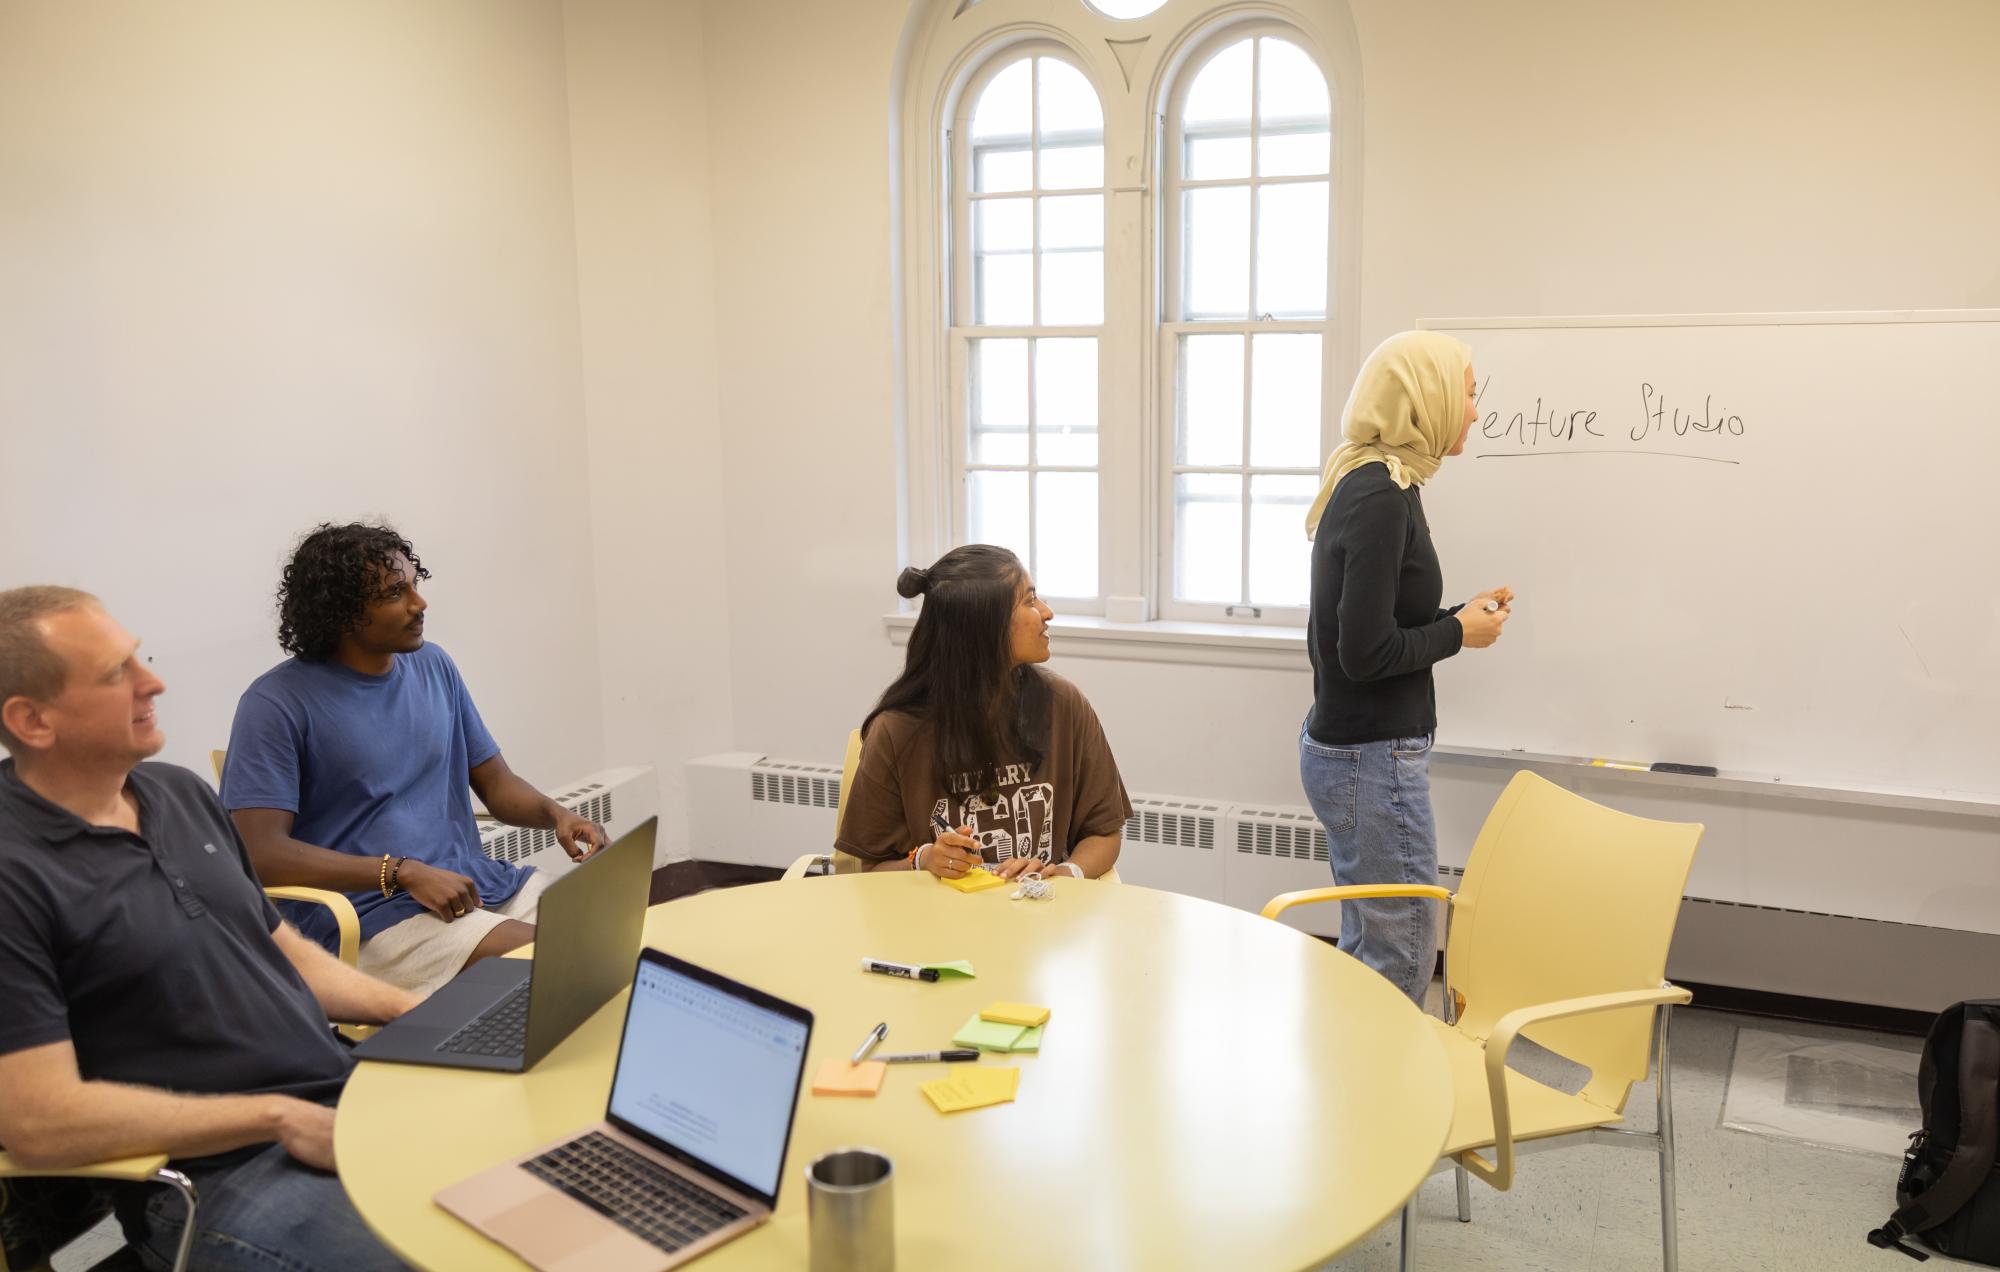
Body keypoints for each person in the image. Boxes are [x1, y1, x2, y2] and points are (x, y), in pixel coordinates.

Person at [0, 586, 416, 1271]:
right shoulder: (16, 871)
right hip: (220, 1175)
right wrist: (274, 1117)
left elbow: (280, 949)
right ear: (33, 720)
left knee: (537, 1184)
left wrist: (413, 1011)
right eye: (116, 674)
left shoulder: (176, 790)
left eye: (140, 658)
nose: (154, 682)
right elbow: (40, 1121)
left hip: (341, 1093)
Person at [222, 523, 606, 996]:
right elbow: (260, 854)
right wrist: (400, 872)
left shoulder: (434, 666)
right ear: (342, 615)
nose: (419, 604)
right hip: (369, 920)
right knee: (559, 962)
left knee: (613, 933)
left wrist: (556, 814)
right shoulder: (275, 704)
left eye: (414, 585)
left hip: (477, 886)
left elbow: (496, 782)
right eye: (394, 593)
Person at [1300, 331, 1513, 1003]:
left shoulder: (1386, 480)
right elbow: (1364, 655)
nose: (1475, 411)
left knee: (1373, 951)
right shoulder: (1379, 497)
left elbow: (1379, 624)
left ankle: (1354, 1100)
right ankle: (1382, 1104)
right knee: (1403, 956)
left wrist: (1458, 618)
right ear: (1428, 399)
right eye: (1470, 393)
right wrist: (1458, 632)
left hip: (1360, 755)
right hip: (1371, 759)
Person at [837, 545, 1131, 881]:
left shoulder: (1064, 704)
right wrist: (926, 859)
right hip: (936, 927)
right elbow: (870, 870)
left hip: (1042, 922)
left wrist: (1065, 875)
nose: (1046, 613)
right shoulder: (896, 730)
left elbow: (1104, 832)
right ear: (984, 627)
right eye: (1030, 601)